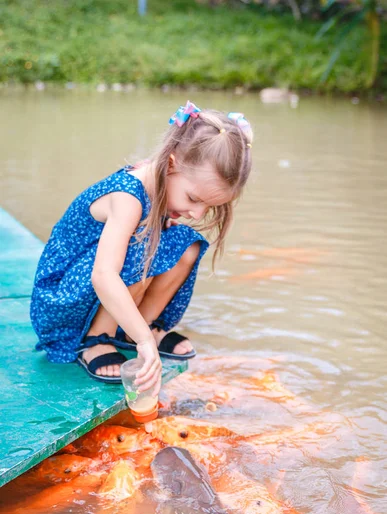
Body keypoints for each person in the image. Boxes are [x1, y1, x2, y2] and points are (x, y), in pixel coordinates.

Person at [30, 101, 253, 395]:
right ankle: (98, 339)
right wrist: (148, 344)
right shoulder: (128, 196)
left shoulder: (161, 182)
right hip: (61, 303)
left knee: (185, 244)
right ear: (171, 165)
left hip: (91, 293)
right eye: (193, 199)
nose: (198, 214)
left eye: (209, 207)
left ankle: (137, 329)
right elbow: (103, 275)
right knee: (141, 247)